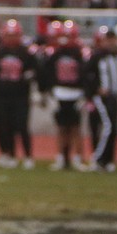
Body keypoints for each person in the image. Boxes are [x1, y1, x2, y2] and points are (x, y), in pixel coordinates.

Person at [39, 20, 90, 171]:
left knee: (75, 128)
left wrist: (84, 95)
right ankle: (61, 157)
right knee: (61, 128)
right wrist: (49, 93)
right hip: (60, 93)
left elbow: (85, 76)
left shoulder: (81, 53)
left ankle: (78, 158)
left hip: (76, 94)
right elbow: (48, 75)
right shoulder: (55, 54)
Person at [0, 19, 38, 169]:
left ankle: (28, 156)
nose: (11, 38)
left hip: (21, 96)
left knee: (22, 126)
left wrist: (30, 78)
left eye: (14, 35)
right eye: (9, 35)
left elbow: (36, 72)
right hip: (3, 95)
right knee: (5, 126)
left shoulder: (26, 53)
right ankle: (8, 154)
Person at [85, 26, 117, 172]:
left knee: (113, 128)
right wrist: (95, 90)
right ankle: (97, 158)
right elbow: (87, 75)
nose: (111, 42)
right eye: (108, 39)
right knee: (107, 127)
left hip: (115, 97)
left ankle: (109, 160)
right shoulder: (97, 56)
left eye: (113, 39)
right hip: (101, 98)